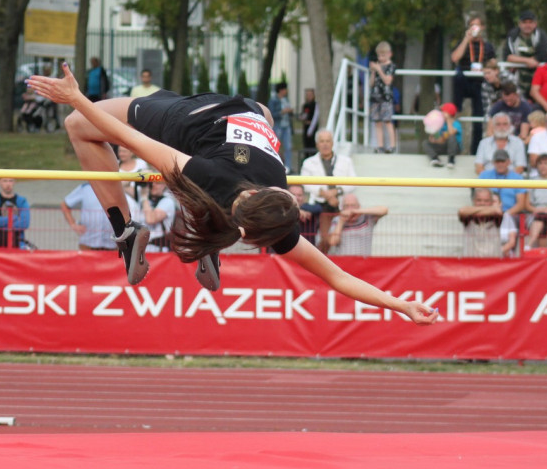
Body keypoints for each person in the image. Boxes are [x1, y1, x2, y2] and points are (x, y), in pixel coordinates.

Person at [29, 63, 438, 325]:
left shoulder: (276, 210)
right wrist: (77, 99)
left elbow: (338, 273)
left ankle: (165, 234)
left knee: (80, 125)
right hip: (195, 125)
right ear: (246, 232)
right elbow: (126, 139)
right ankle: (129, 230)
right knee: (80, 124)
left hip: (244, 113)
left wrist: (403, 305)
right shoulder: (213, 179)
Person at [301, 129, 359, 253]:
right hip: (321, 206)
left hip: (343, 204)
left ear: (332, 143)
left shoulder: (346, 161)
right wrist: (326, 195)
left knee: (343, 239)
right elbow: (306, 184)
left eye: (328, 141)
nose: (325, 144)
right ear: (317, 144)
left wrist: (336, 192)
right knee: (326, 238)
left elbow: (354, 181)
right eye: (322, 141)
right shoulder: (308, 163)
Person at [450, 14, 495, 154]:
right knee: (457, 77)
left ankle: (475, 151)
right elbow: (455, 58)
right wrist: (466, 39)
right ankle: (456, 110)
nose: (475, 28)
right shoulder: (463, 42)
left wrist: (486, 68)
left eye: (477, 25)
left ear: (482, 28)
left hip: (480, 83)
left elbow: (494, 64)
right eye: (471, 25)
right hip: (464, 81)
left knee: (478, 118)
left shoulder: (487, 46)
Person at [61, 182, 123, 251]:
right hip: (88, 243)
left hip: (111, 243)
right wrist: (73, 224)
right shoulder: (85, 188)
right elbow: (65, 205)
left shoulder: (116, 187)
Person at [458, 188, 518, 258]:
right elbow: (462, 211)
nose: (482, 203)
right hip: (472, 260)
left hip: (491, 261)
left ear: (492, 202)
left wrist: (475, 210)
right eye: (479, 200)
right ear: (473, 201)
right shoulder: (467, 217)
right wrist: (486, 209)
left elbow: (497, 211)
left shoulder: (496, 216)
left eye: (486, 201)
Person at [504, 10, 547, 96]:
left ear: (535, 24)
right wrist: (527, 61)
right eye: (524, 22)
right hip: (517, 78)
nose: (527, 25)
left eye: (530, 22)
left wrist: (518, 60)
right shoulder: (513, 36)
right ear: (519, 24)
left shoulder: (541, 35)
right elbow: (508, 57)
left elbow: (543, 56)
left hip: (538, 78)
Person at [478, 149, 527, 214]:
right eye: (498, 161)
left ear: (509, 162)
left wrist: (505, 215)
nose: (500, 164)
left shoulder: (517, 178)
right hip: (487, 213)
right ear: (493, 162)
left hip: (510, 214)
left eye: (502, 161)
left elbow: (520, 205)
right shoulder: (484, 175)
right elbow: (477, 199)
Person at [0, 178, 30, 249]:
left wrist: (0, 225)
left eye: (10, 181)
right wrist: (13, 218)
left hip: (17, 246)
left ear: (14, 182)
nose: (8, 184)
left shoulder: (22, 201)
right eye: (5, 181)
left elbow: (24, 223)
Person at [368, 42, 397, 154]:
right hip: (375, 97)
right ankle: (380, 146)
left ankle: (392, 146)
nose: (380, 58)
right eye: (379, 56)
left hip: (386, 98)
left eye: (383, 55)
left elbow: (388, 81)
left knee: (388, 121)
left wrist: (379, 69)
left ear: (389, 54)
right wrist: (373, 72)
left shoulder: (391, 66)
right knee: (377, 122)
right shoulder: (377, 67)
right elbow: (371, 83)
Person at [140, 180, 177, 253]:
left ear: (164, 185)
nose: (153, 185)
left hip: (159, 251)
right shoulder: (146, 201)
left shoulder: (167, 201)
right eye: (151, 182)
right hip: (143, 250)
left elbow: (151, 219)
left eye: (157, 183)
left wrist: (144, 197)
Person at [268, 82, 295, 170]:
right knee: (275, 147)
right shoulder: (273, 100)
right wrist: (282, 112)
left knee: (288, 147)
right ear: (281, 90)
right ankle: (275, 166)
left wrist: (290, 111)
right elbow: (271, 114)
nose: (286, 91)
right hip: (277, 126)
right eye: (285, 89)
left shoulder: (286, 100)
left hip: (286, 126)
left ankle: (288, 167)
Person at [299, 88, 319, 161]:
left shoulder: (315, 105)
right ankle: (306, 159)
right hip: (306, 127)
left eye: (310, 95)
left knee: (312, 145)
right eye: (307, 95)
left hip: (313, 128)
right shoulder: (305, 105)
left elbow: (315, 118)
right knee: (306, 145)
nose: (309, 96)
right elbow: (303, 115)